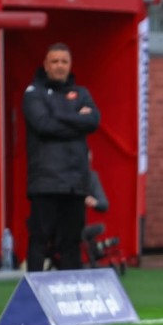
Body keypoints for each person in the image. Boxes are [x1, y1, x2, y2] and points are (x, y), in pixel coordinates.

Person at [22, 43, 100, 271]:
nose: (59, 66)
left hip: (75, 182)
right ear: (45, 65)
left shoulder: (82, 93)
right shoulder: (33, 93)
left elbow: (93, 121)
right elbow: (43, 125)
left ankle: (70, 291)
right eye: (55, 61)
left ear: (70, 65)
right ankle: (33, 292)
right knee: (39, 239)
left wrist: (60, 115)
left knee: (72, 241)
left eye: (64, 62)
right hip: (45, 181)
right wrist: (77, 119)